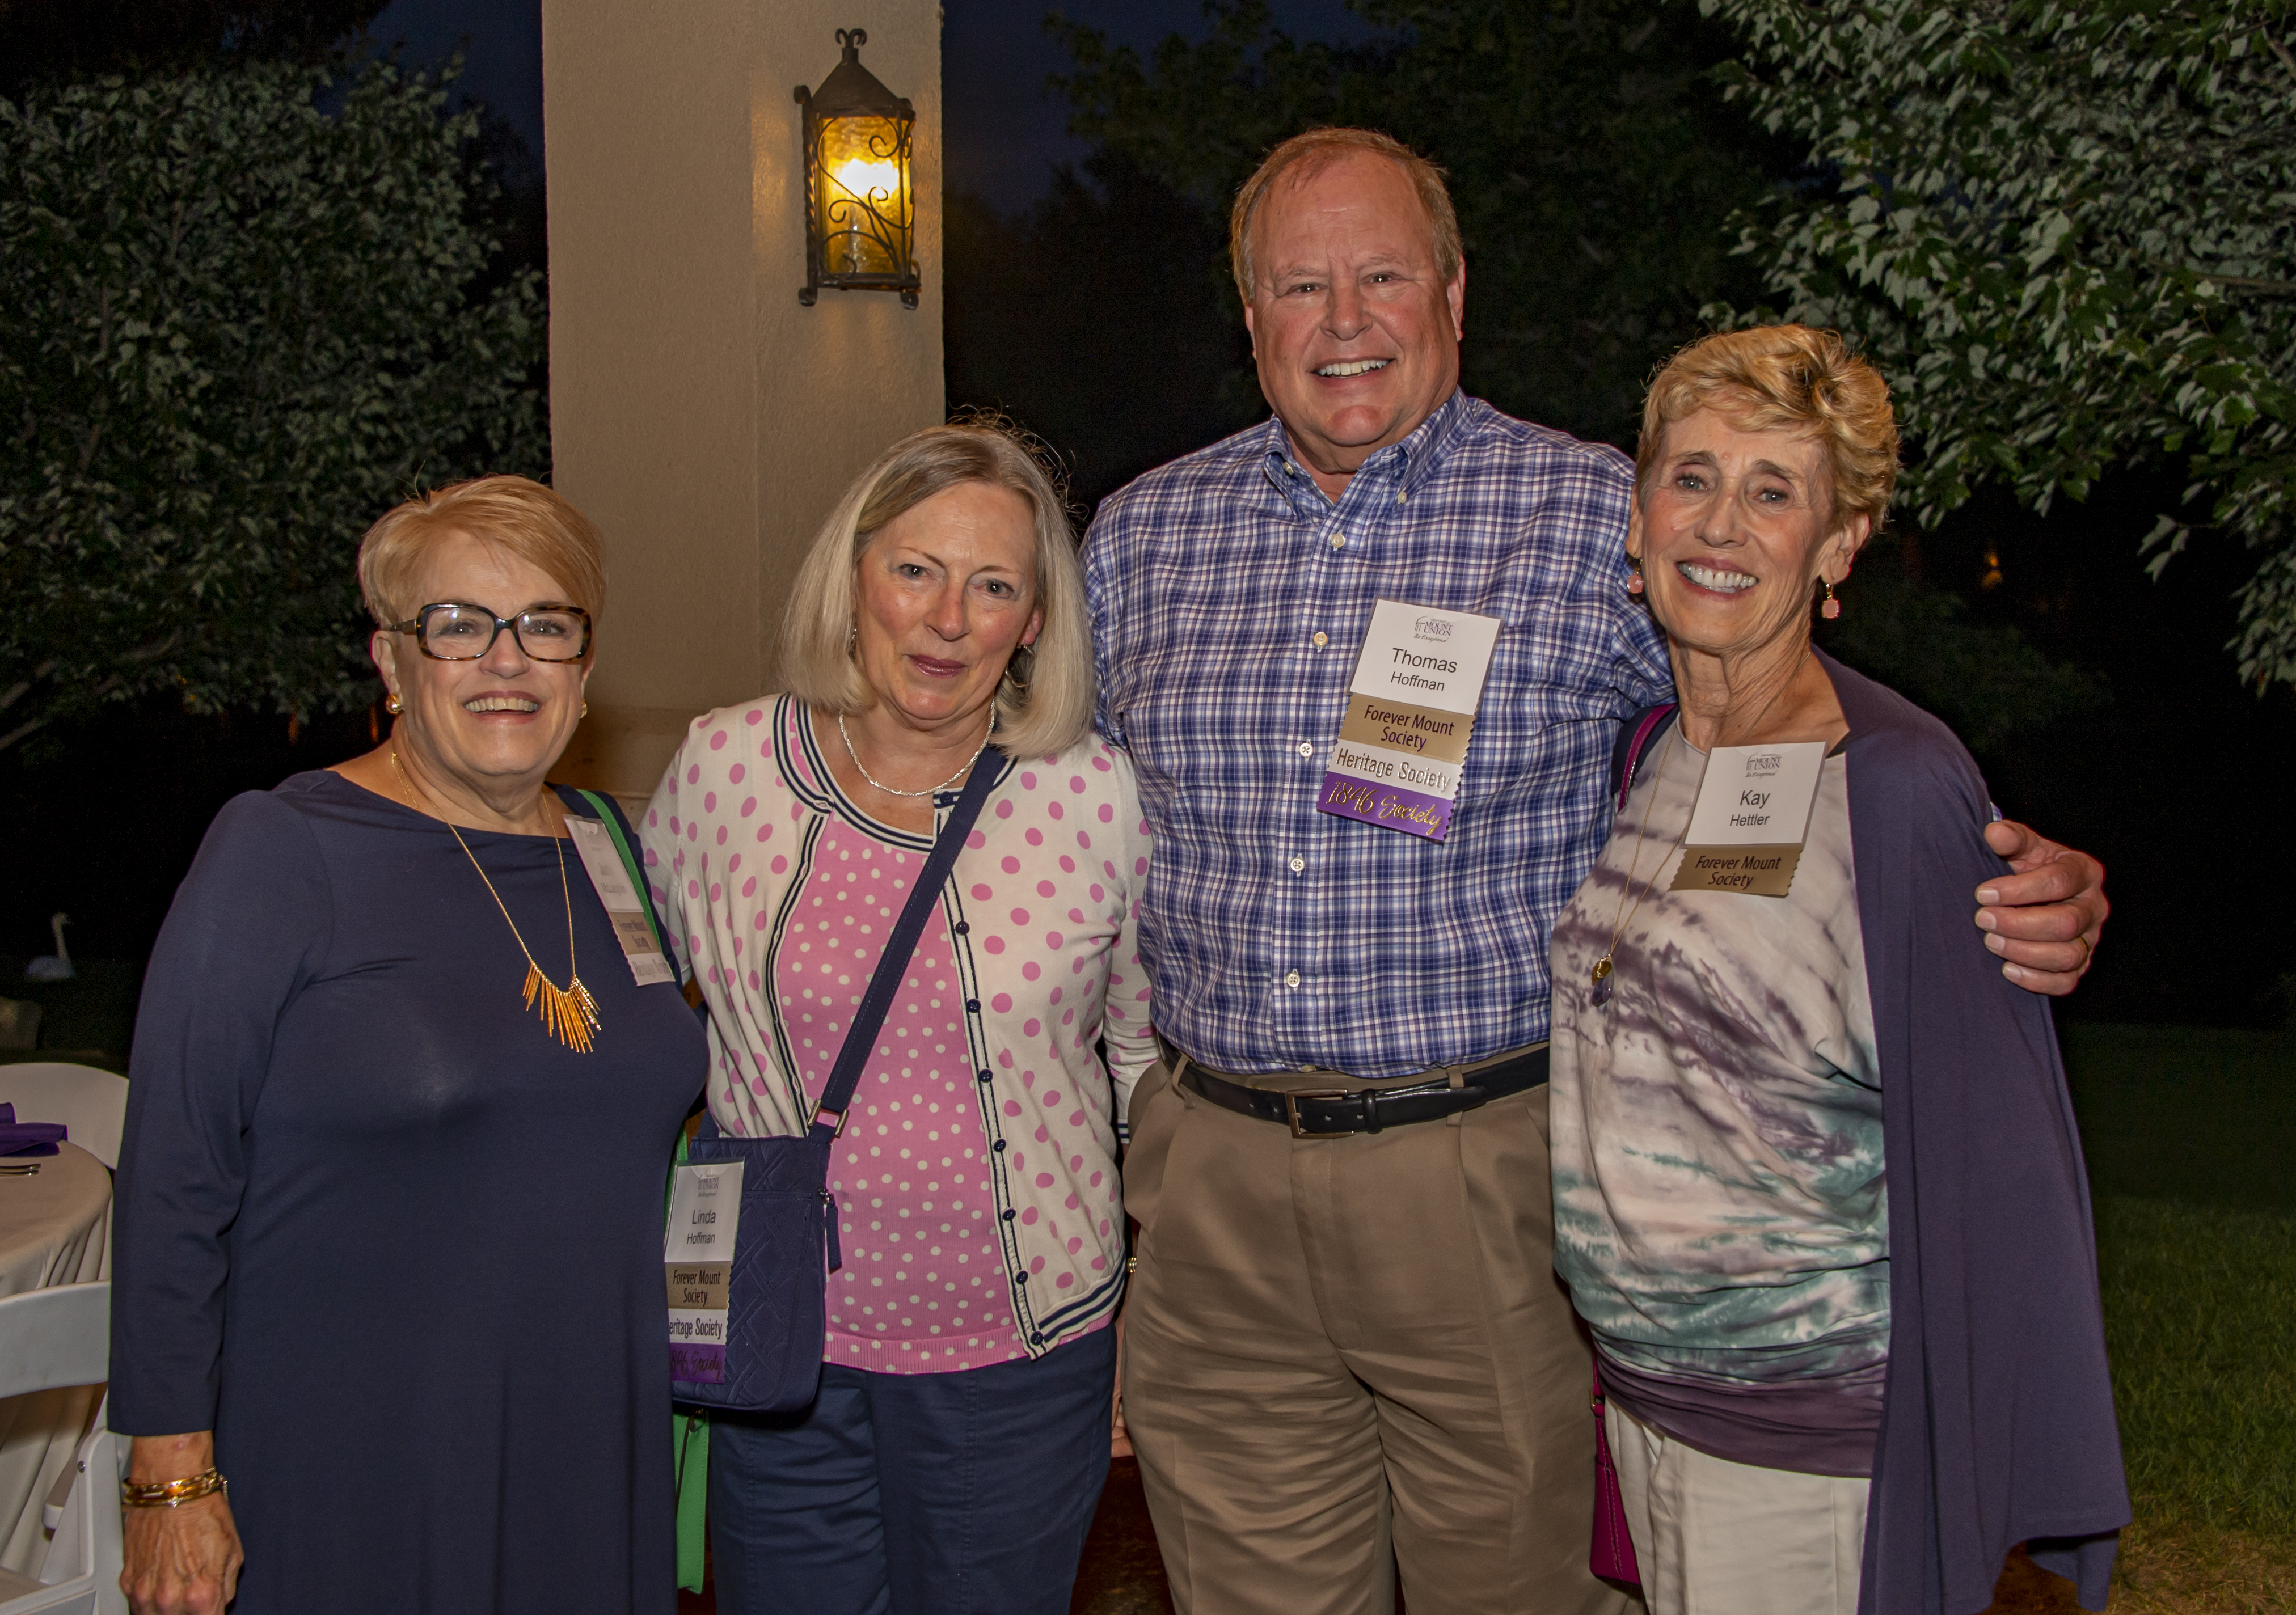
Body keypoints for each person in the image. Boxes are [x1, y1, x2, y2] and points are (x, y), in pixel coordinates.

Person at [1084, 127, 2112, 1615]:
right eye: (1300, 286)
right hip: (1214, 1181)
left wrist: (2008, 857)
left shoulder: (1593, 518)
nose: (1345, 318)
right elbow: (1071, 834)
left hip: (1481, 1175)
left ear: (1453, 292)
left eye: (1382, 274)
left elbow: (1790, 708)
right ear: (1249, 320)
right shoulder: (1138, 541)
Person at [1547, 326, 2126, 1615]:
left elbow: (1993, 1155)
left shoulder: (1898, 786)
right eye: (1690, 475)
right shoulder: (1650, 747)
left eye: (1772, 492)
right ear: (1638, 515)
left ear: (1836, 546)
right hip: (1650, 1408)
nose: (1720, 522)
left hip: (1806, 1448)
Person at [109, 476, 708, 1615]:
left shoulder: (609, 850)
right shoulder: (284, 849)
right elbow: (175, 1171)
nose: (505, 658)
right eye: (456, 625)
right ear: (391, 662)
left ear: (583, 670)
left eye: (545, 623)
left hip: (589, 1430)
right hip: (357, 1447)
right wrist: (170, 1471)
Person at [639, 421, 1154, 1615]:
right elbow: (645, 1016)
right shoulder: (722, 769)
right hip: (781, 1352)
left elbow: (1137, 1060)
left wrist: (1150, 1302)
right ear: (853, 572)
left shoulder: (1093, 795)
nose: (945, 618)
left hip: (1020, 1358)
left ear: (1032, 623)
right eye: (914, 570)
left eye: (992, 587)